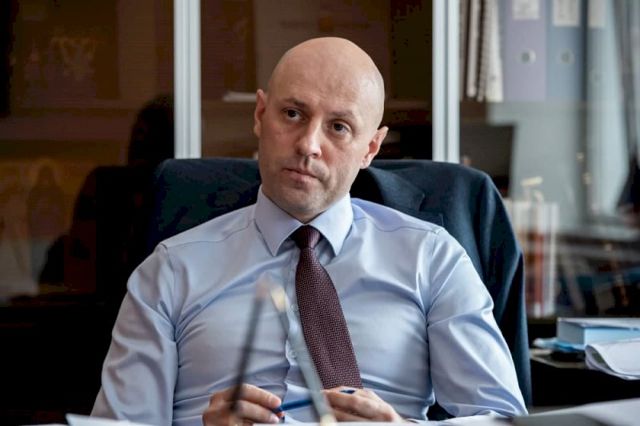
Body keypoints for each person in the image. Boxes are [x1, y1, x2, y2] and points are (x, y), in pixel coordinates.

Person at [92, 37, 527, 425]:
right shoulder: (170, 270)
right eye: (293, 114)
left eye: (339, 127)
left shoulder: (432, 259)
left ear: (370, 148)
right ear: (260, 114)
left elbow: (502, 419)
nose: (308, 145)